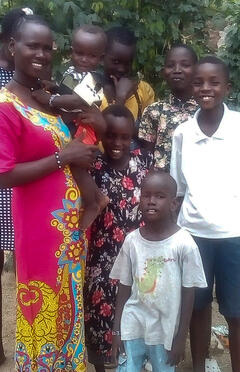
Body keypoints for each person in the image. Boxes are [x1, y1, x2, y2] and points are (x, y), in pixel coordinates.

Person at [0, 14, 97, 372]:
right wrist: (63, 155)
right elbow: (3, 175)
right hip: (38, 229)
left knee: (70, 306)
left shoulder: (42, 98)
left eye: (47, 48)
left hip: (67, 230)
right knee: (43, 309)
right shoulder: (3, 106)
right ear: (12, 47)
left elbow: (93, 118)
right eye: (32, 45)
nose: (41, 53)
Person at [170, 56, 240, 372]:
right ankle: (199, 364)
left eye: (214, 82)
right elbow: (179, 188)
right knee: (196, 305)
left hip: (234, 235)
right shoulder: (182, 133)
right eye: (198, 82)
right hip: (193, 235)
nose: (205, 88)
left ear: (228, 86)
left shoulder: (238, 127)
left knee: (236, 311)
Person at [110, 171, 207, 372]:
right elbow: (124, 286)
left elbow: (189, 292)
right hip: (133, 325)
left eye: (160, 196)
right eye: (146, 195)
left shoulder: (184, 244)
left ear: (173, 203)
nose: (151, 201)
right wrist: (117, 331)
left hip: (165, 332)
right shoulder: (132, 241)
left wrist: (181, 338)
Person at [84, 104, 153, 372]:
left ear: (132, 136)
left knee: (138, 308)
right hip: (102, 256)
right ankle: (102, 366)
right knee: (100, 311)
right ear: (102, 135)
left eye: (125, 137)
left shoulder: (144, 163)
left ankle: (136, 361)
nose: (117, 142)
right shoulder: (93, 166)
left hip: (139, 255)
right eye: (111, 135)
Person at [32, 24, 108, 230]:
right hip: (74, 125)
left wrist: (49, 99)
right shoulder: (72, 71)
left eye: (91, 56)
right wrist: (54, 86)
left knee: (76, 163)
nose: (84, 59)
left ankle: (94, 202)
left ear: (100, 59)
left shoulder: (95, 79)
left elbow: (76, 101)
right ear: (71, 50)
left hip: (85, 128)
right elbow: (67, 89)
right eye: (79, 53)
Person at [0, 7, 33, 371]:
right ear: (10, 41)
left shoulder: (33, 72)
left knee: (28, 264)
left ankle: (30, 339)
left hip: (27, 176)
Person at [138, 44, 198, 170]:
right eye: (171, 65)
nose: (177, 70)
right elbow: (146, 156)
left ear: (197, 70)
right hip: (161, 185)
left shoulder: (204, 111)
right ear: (163, 72)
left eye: (185, 65)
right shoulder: (153, 111)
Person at [100, 26, 155, 149]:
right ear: (102, 58)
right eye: (116, 62)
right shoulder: (90, 89)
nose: (122, 69)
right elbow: (109, 134)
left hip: (135, 165)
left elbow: (150, 137)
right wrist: (120, 98)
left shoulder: (143, 91)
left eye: (127, 63)